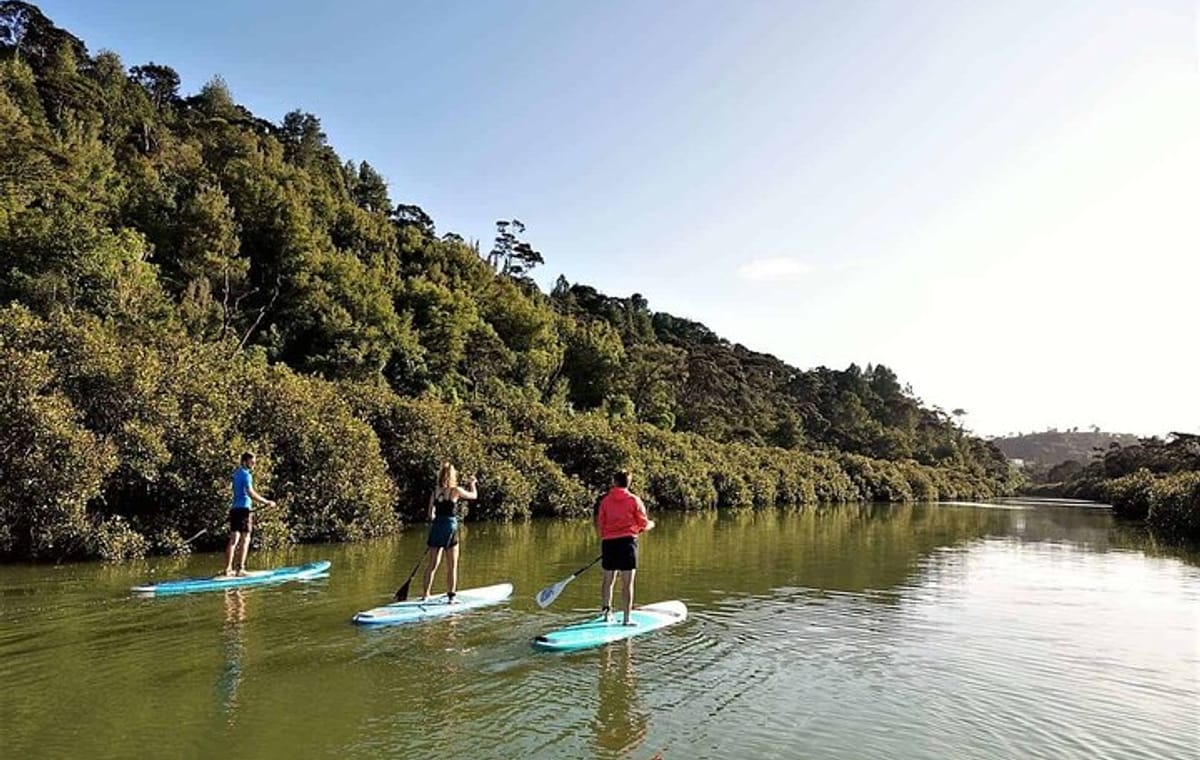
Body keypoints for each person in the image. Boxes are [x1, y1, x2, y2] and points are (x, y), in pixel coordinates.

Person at [596, 470, 654, 625]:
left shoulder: (605, 501)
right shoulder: (634, 500)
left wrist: (607, 537)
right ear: (629, 483)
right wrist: (650, 525)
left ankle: (606, 614)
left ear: (614, 482)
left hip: (609, 543)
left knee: (608, 580)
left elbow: (601, 524)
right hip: (627, 543)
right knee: (627, 583)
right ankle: (627, 619)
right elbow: (643, 523)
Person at [420, 462, 478, 602]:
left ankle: (425, 595)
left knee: (432, 564)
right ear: (453, 476)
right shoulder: (455, 490)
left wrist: (436, 518)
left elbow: (430, 514)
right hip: (450, 528)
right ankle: (451, 597)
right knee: (452, 565)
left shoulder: (435, 491)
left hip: (436, 528)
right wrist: (472, 484)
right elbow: (473, 496)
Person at [222, 452, 275, 577]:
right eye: (252, 462)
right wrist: (266, 502)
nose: (253, 465)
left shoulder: (236, 474)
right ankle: (240, 569)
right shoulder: (246, 475)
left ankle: (228, 569)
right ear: (244, 462)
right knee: (245, 539)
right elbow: (250, 493)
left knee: (234, 539)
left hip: (235, 509)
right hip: (244, 510)